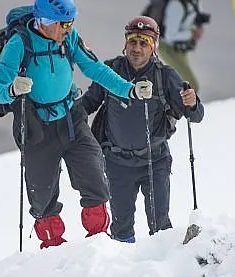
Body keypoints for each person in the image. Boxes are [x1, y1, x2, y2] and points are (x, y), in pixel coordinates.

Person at [0, 0, 153, 248]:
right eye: (64, 24)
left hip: (71, 120)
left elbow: (95, 69)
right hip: (36, 128)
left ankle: (98, 243)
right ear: (45, 21)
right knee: (42, 197)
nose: (69, 28)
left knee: (95, 179)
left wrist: (129, 90)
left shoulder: (69, 38)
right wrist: (11, 89)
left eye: (71, 22)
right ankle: (53, 249)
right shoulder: (19, 44)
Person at [78, 17, 204, 242]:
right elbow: (87, 104)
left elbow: (195, 116)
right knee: (121, 229)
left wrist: (192, 102)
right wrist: (61, 114)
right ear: (125, 43)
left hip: (155, 163)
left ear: (153, 46)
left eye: (143, 43)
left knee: (160, 226)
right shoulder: (110, 71)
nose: (136, 48)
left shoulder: (165, 76)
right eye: (132, 42)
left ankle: (161, 272)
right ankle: (124, 275)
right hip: (117, 163)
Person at [154, 0, 210, 95]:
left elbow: (195, 16)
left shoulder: (195, 1)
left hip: (181, 48)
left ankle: (178, 109)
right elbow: (170, 36)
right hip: (168, 48)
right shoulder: (176, 5)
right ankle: (182, 111)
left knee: (183, 83)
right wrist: (191, 34)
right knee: (191, 85)